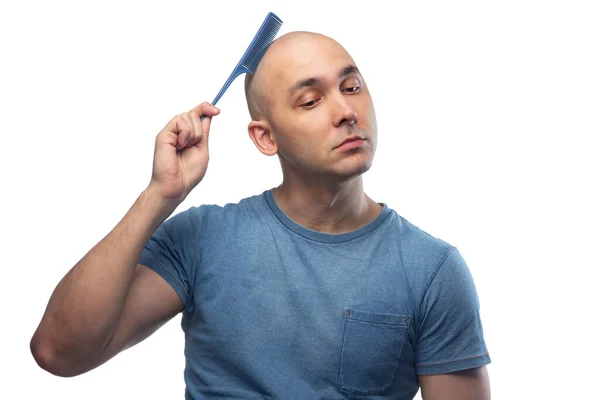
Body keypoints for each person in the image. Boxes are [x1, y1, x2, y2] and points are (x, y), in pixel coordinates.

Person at [30, 31, 492, 399]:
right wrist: (160, 194)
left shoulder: (433, 270)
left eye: (352, 88)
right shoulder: (202, 239)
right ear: (265, 138)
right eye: (311, 101)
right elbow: (57, 352)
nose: (347, 111)